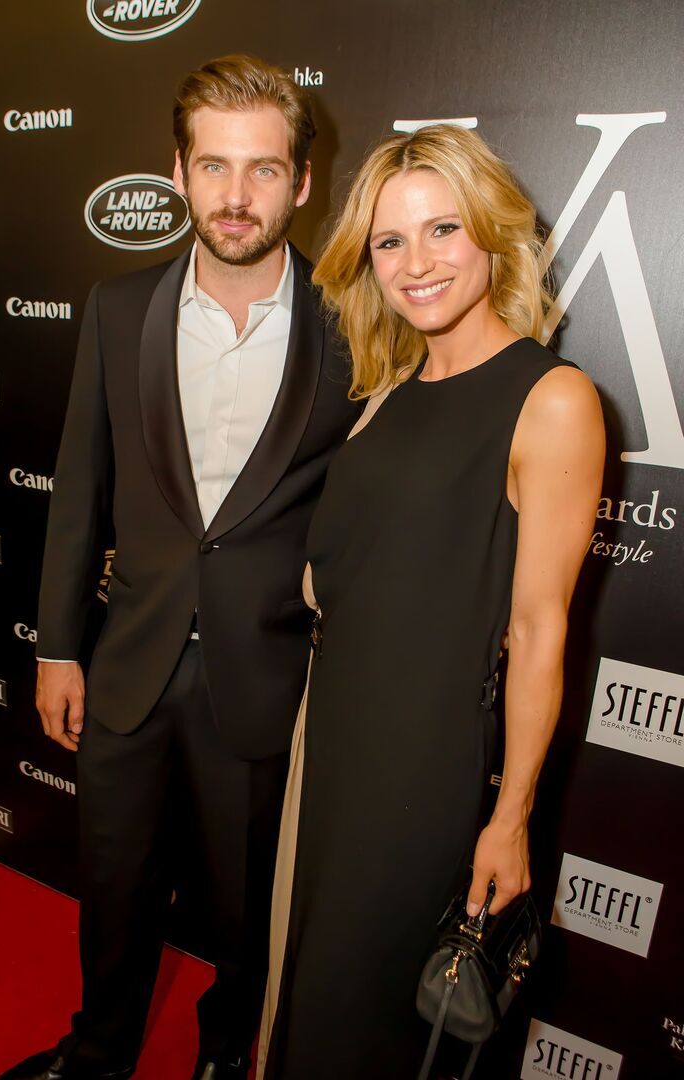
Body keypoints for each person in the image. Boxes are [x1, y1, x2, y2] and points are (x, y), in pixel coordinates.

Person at [0, 55, 358, 1080]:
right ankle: (98, 1051)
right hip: (129, 664)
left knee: (247, 905)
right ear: (179, 172)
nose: (236, 196)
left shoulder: (353, 325)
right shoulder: (118, 308)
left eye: (262, 169)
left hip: (269, 674)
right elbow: (80, 488)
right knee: (113, 887)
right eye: (214, 166)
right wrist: (58, 648)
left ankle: (226, 1055)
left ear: (301, 182)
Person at [257, 124, 605, 1079]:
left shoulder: (551, 399)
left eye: (442, 228)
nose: (416, 263)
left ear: (490, 232)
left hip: (422, 765)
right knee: (310, 991)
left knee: (366, 1021)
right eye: (390, 240)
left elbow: (538, 630)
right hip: (331, 738)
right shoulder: (387, 394)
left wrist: (510, 818)